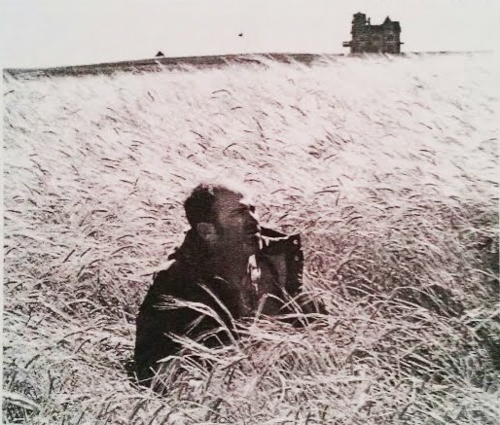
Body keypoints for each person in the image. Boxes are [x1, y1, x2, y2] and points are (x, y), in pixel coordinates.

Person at [134, 180, 323, 387]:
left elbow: (318, 327)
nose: (253, 220)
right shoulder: (177, 282)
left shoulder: (280, 258)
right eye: (238, 213)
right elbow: (151, 369)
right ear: (208, 231)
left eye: (252, 209)